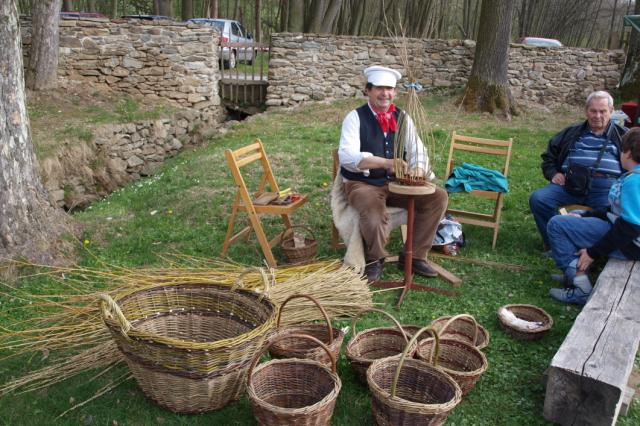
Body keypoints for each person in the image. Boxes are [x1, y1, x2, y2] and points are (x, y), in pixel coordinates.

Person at [337, 65, 448, 282]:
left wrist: (417, 169)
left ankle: (413, 256)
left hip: (397, 183)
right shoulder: (355, 117)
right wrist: (386, 162)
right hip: (363, 183)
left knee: (438, 197)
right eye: (379, 88)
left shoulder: (403, 117)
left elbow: (418, 151)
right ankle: (375, 259)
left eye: (389, 89)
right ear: (368, 90)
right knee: (374, 213)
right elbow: (347, 156)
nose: (385, 93)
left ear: (395, 92)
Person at [546, 127, 640, 305]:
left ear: (627, 153)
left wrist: (592, 252)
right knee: (575, 217)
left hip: (632, 245)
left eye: (621, 150)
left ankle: (579, 284)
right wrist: (586, 215)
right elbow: (615, 210)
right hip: (624, 233)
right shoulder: (634, 177)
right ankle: (573, 273)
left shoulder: (635, 181)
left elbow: (631, 227)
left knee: (557, 225)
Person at [529, 91, 627, 251]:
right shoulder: (571, 132)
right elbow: (548, 157)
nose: (597, 115)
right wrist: (554, 173)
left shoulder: (623, 136)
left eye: (602, 111)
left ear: (611, 111)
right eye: (593, 111)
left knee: (613, 215)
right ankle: (555, 244)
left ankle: (591, 250)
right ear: (586, 111)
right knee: (539, 199)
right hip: (570, 186)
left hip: (605, 191)